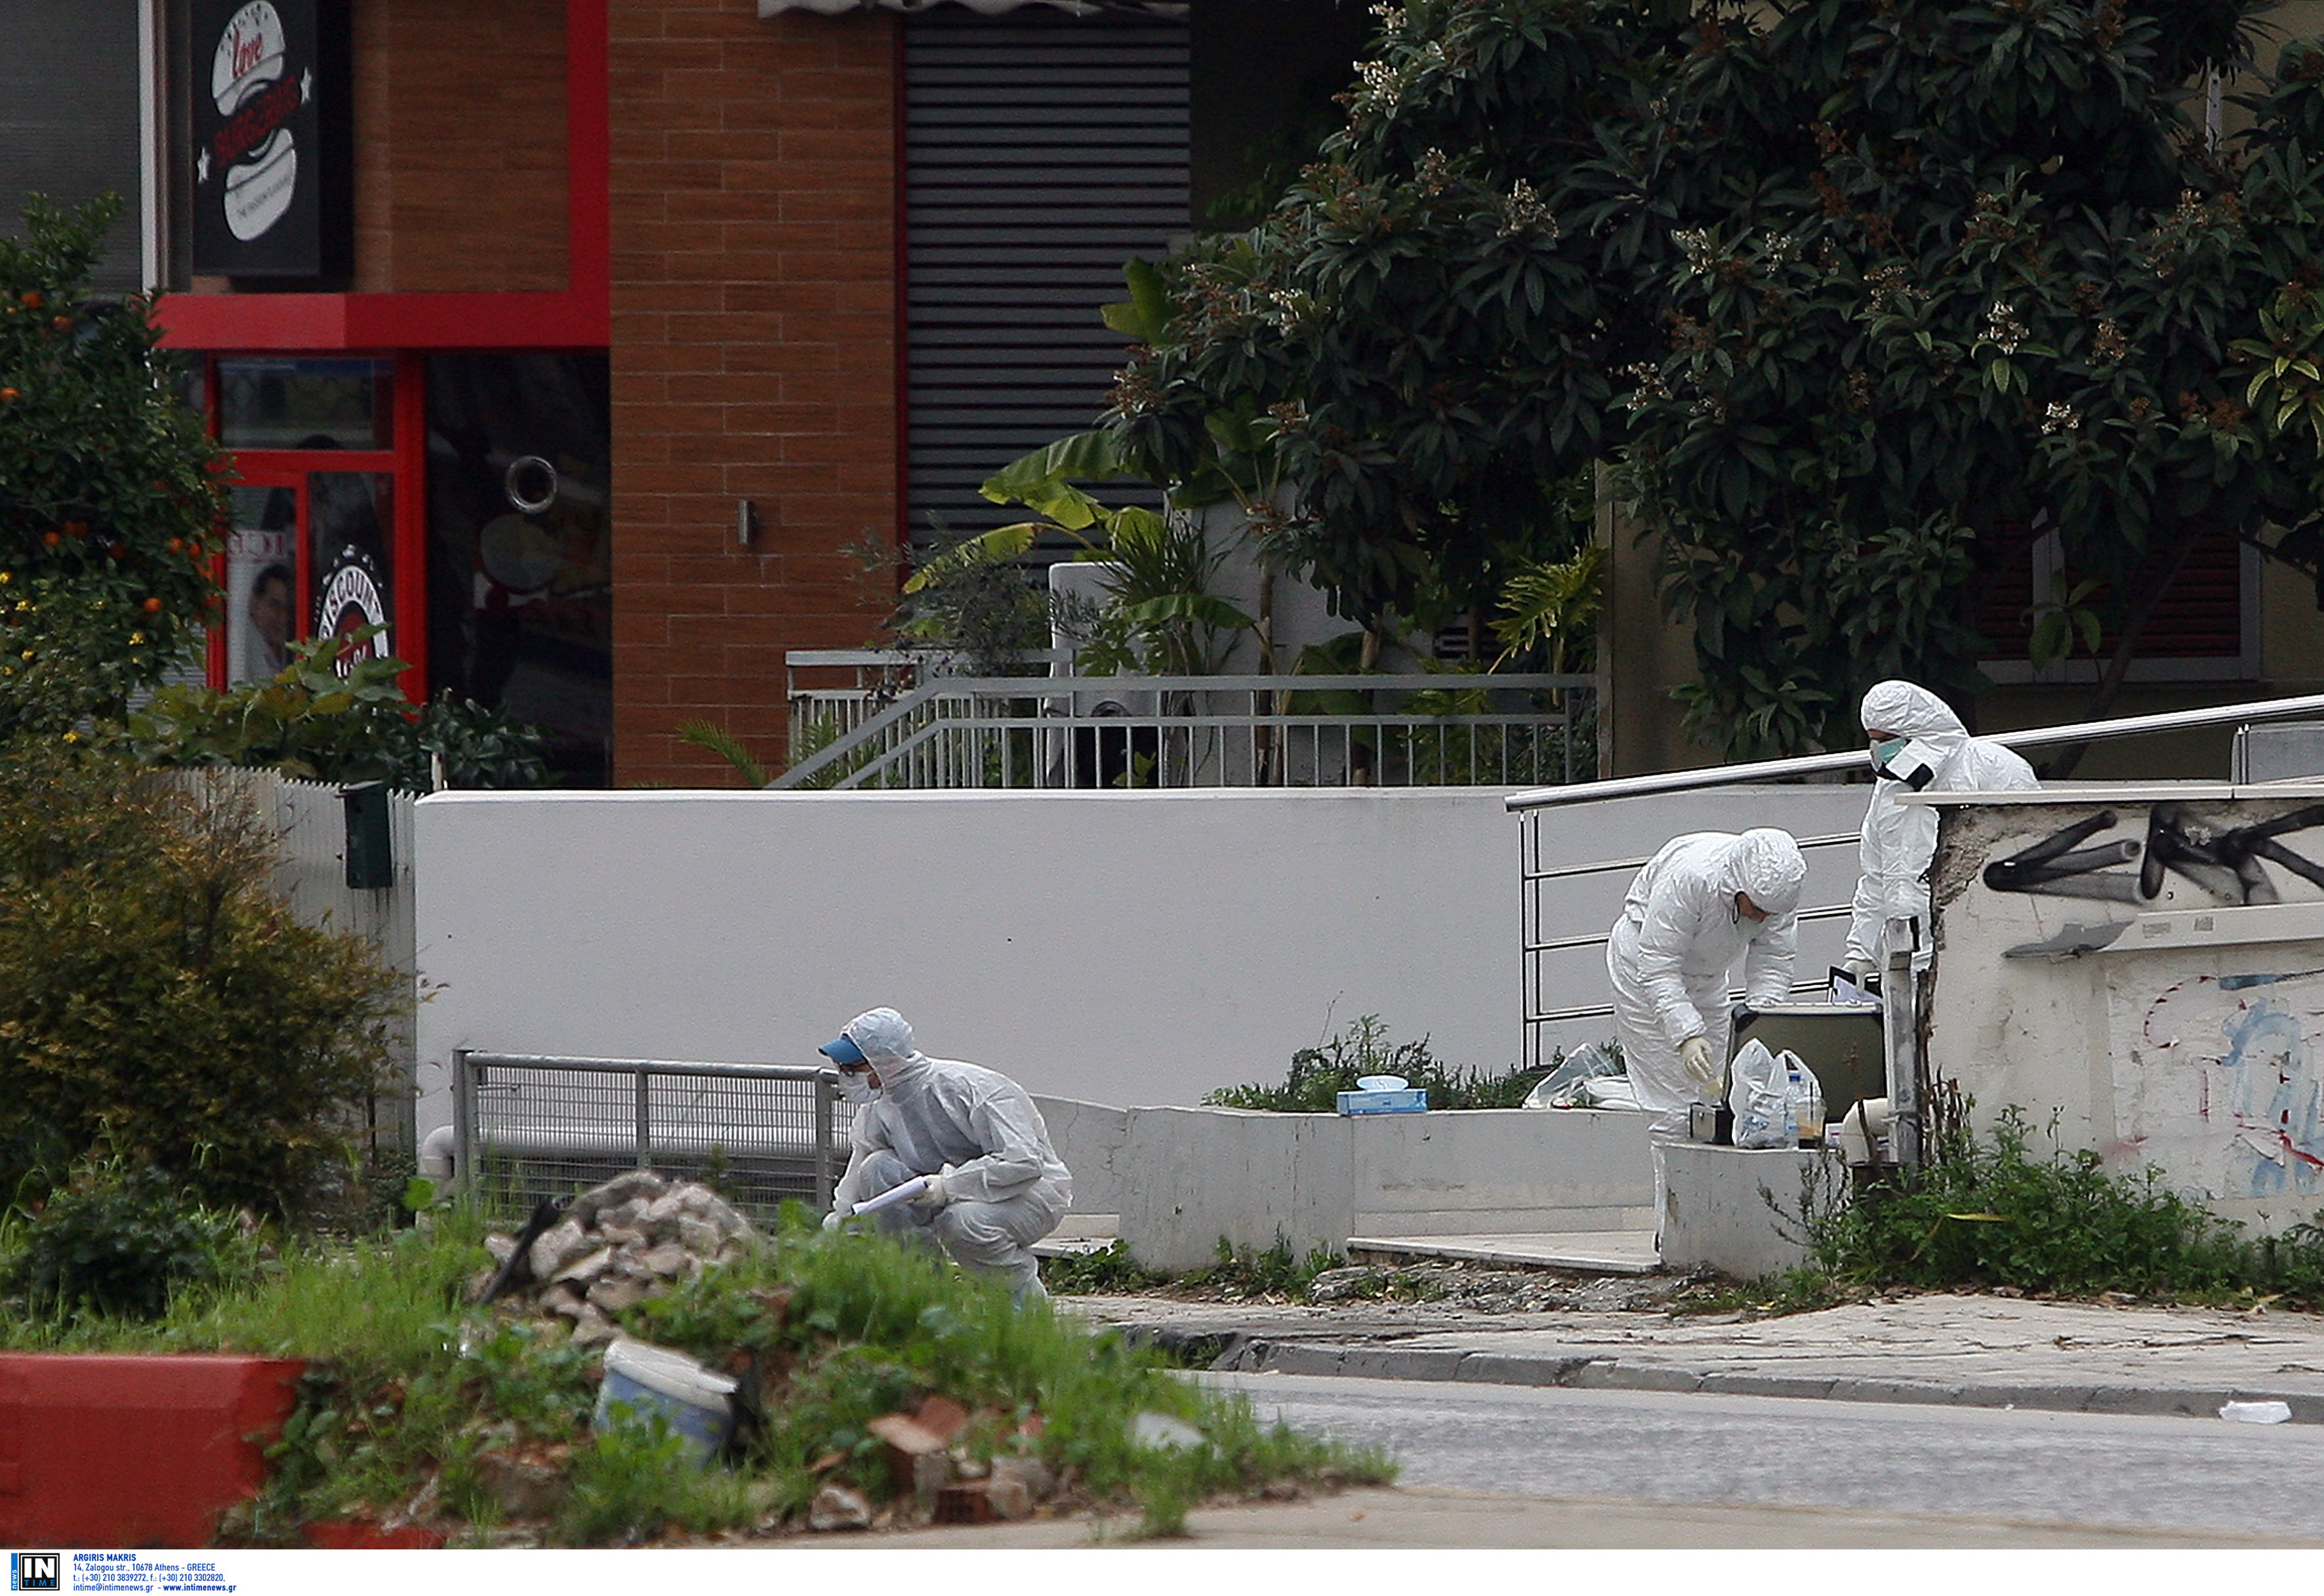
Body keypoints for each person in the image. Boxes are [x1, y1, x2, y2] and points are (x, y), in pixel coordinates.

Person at [1606, 829, 1806, 1235]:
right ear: (1738, 887)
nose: (1763, 918)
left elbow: (1773, 959)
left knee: (1719, 1094)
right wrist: (1684, 1034)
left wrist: (1760, 1024)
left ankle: (1718, 1220)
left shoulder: (1776, 894)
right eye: (1758, 908)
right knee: (1673, 1109)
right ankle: (1675, 1229)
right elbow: (1657, 963)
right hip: (1642, 971)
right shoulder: (1691, 878)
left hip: (1707, 975)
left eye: (1772, 912)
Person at [819, 1007, 1072, 1305]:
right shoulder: (881, 1105)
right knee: (878, 1168)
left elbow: (1023, 1162)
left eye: (853, 1069)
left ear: (884, 1061)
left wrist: (949, 1186)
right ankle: (925, 1292)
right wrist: (843, 1216)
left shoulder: (969, 1089)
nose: (845, 1077)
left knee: (962, 1222)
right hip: (947, 1191)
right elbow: (864, 1159)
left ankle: (1023, 1304)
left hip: (1031, 1192)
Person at [1841, 680, 2037, 981]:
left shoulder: (1992, 767)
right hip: (1905, 953)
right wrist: (1861, 953)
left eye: (1887, 739)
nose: (1879, 750)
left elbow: (2030, 853)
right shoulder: (1888, 792)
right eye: (1874, 740)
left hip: (1982, 946)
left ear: (1919, 734)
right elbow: (1875, 878)